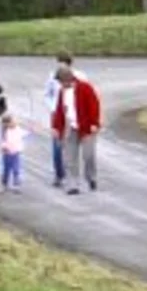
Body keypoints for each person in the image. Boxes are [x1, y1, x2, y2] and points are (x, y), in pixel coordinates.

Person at [50, 65, 102, 195]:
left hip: (87, 127)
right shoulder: (62, 92)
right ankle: (73, 184)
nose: (60, 84)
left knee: (88, 155)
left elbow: (94, 105)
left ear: (68, 79)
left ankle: (91, 178)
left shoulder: (85, 87)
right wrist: (56, 127)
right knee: (69, 156)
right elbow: (60, 111)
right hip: (71, 127)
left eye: (61, 81)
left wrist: (94, 123)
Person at [42, 52, 84, 188]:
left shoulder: (79, 76)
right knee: (57, 144)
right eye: (59, 63)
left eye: (63, 63)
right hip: (57, 113)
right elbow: (47, 94)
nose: (60, 66)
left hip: (72, 114)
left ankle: (72, 174)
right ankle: (59, 174)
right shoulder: (52, 76)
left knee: (72, 145)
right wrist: (52, 108)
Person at [0, 113, 27, 192]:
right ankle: (4, 183)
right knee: (6, 169)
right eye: (13, 121)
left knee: (16, 169)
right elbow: (2, 141)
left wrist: (32, 130)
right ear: (7, 124)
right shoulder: (5, 131)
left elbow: (23, 134)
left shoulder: (18, 129)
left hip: (16, 153)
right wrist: (4, 147)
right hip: (7, 153)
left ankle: (16, 184)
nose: (15, 122)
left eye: (15, 121)